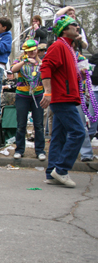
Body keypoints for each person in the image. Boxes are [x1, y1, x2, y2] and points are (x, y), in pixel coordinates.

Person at [40, 15, 85, 188]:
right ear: (64, 30)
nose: (77, 27)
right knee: (78, 132)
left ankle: (52, 172)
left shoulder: (69, 48)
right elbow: (45, 66)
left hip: (66, 97)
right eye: (73, 25)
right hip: (61, 98)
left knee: (58, 136)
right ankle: (61, 170)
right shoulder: (59, 45)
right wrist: (48, 92)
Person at [11, 40, 46, 161]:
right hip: (22, 95)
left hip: (38, 94)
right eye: (29, 51)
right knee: (21, 125)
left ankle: (40, 150)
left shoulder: (42, 62)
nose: (32, 52)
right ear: (25, 51)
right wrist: (24, 61)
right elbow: (13, 70)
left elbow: (46, 75)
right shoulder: (20, 60)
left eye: (34, 50)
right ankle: (19, 150)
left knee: (39, 125)